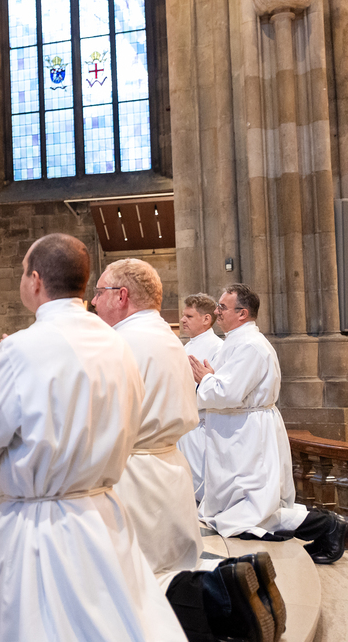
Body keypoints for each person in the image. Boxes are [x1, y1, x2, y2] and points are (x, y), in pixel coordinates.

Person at [0, 233, 185, 641]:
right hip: (104, 513)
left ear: (35, 280)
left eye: (23, 272)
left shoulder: (23, 348)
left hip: (41, 526)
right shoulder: (117, 344)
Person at [92, 260, 280, 642]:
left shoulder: (120, 343)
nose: (93, 302)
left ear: (122, 296)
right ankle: (229, 597)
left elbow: (99, 418)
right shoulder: (165, 336)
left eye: (99, 292)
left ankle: (225, 593)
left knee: (140, 577)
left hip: (135, 473)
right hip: (168, 466)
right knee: (172, 567)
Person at [191, 284, 348, 563]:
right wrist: (211, 379)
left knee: (253, 512)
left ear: (242, 313)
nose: (216, 311)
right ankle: (327, 525)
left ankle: (328, 525)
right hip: (238, 431)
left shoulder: (250, 345)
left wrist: (206, 379)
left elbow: (228, 393)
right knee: (245, 509)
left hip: (248, 434)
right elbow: (228, 385)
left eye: (222, 307)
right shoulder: (236, 341)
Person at [178, 293, 224, 501]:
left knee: (202, 486)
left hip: (202, 427)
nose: (182, 320)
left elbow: (216, 390)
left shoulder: (217, 348)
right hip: (185, 425)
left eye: (189, 316)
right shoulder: (187, 346)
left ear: (206, 319)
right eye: (183, 315)